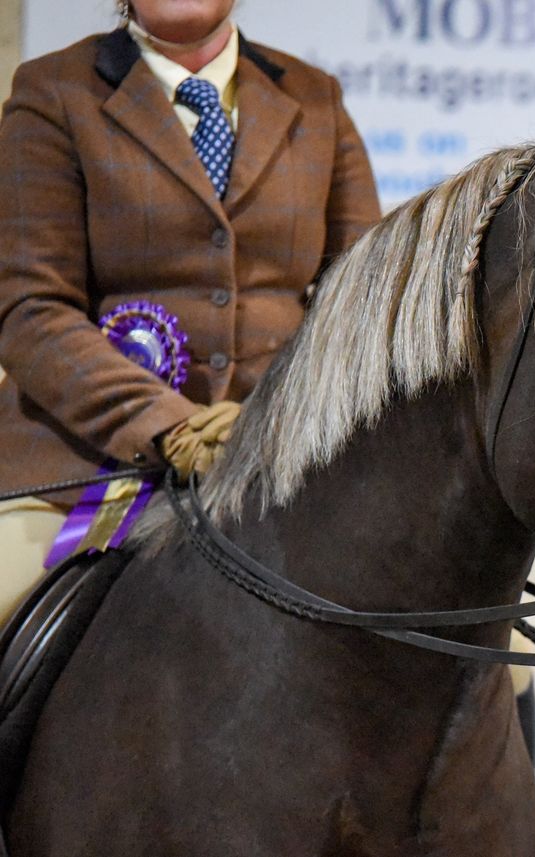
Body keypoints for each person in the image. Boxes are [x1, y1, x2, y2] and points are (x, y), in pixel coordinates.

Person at [0, 0, 381, 623]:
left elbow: (364, 304)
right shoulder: (53, 92)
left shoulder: (317, 100)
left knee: (501, 652)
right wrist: (169, 426)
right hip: (82, 464)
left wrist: (277, 418)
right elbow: (29, 308)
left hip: (278, 463)